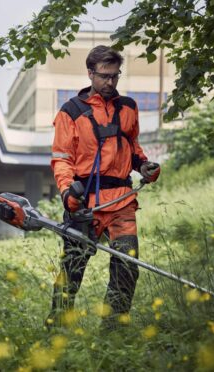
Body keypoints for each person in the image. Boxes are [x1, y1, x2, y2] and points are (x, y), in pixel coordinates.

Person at [48, 45, 161, 328]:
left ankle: (113, 330)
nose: (110, 82)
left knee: (126, 267)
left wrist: (143, 165)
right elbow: (61, 159)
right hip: (85, 202)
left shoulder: (129, 107)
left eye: (115, 76)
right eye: (104, 76)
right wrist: (67, 193)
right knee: (72, 269)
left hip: (122, 202)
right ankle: (58, 326)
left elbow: (132, 147)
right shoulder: (70, 112)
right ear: (90, 73)